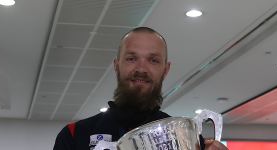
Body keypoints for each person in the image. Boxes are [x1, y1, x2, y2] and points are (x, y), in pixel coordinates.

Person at [53, 27, 228, 150]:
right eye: (131, 58)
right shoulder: (75, 135)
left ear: (165, 70)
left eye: (153, 60)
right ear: (116, 65)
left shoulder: (186, 138)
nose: (141, 69)